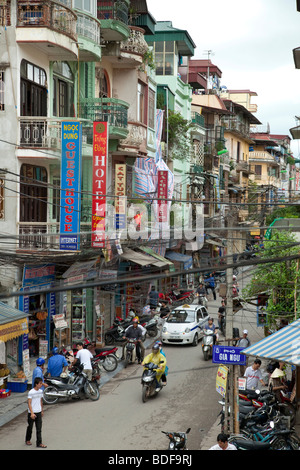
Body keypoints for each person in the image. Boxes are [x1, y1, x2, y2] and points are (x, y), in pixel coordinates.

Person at [25, 377, 47, 448]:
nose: (41, 385)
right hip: (32, 412)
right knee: (30, 427)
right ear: (36, 384)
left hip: (38, 412)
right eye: (40, 383)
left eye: (41, 383)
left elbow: (41, 401)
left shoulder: (40, 391)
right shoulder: (31, 392)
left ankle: (39, 443)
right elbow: (29, 403)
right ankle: (27, 439)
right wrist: (31, 413)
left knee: (39, 428)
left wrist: (42, 410)